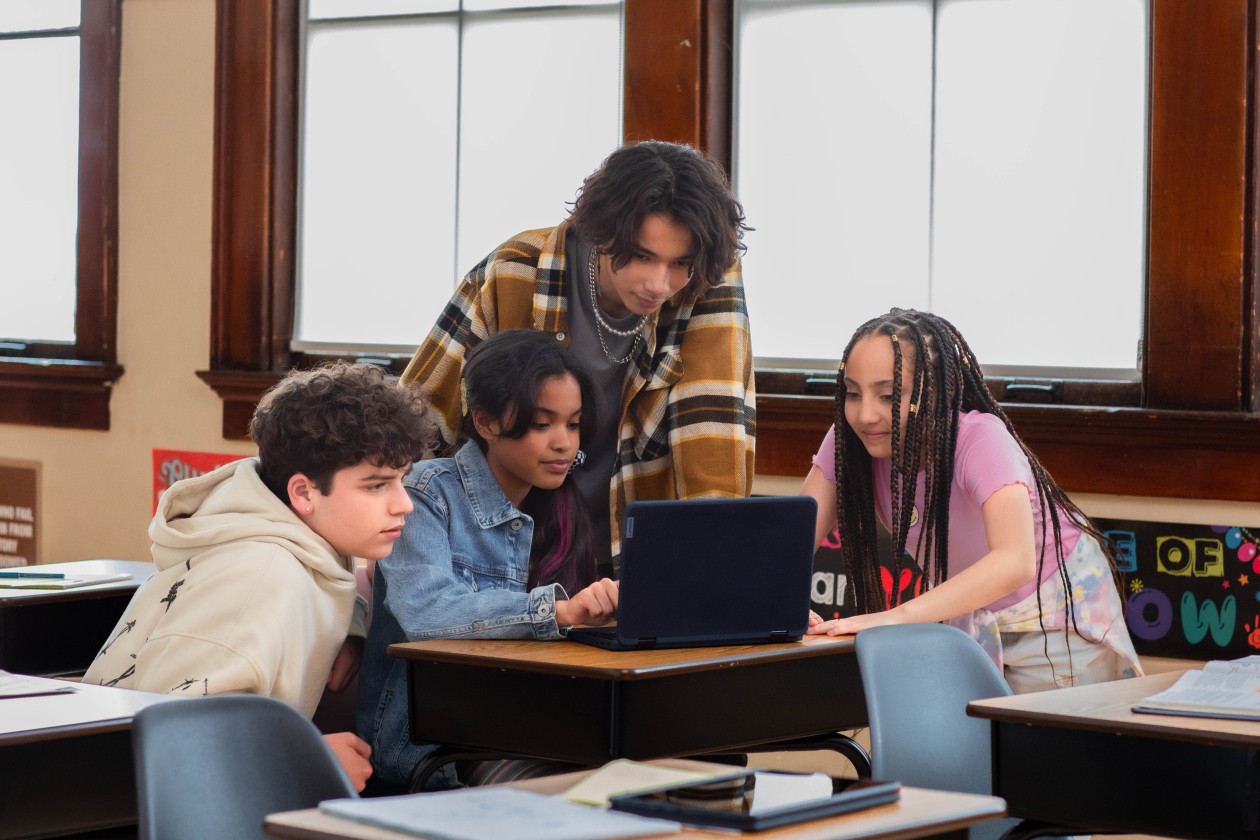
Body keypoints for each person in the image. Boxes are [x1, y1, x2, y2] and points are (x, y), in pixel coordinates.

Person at [402, 140, 755, 575]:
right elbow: (420, 422)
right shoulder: (517, 270)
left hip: (629, 556)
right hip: (494, 552)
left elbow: (713, 439)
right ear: (602, 230)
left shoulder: (706, 282)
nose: (659, 284)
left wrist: (727, 571)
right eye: (642, 256)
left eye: (678, 263)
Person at [83, 362, 436, 790]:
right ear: (303, 493)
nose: (404, 505)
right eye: (376, 486)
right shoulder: (257, 578)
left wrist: (351, 621)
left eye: (402, 480)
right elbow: (173, 740)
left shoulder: (308, 542)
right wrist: (310, 758)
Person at [802, 309, 1142, 694]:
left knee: (1048, 751)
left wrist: (896, 618)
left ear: (935, 394)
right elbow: (792, 543)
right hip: (975, 618)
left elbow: (1015, 561)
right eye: (852, 392)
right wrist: (782, 603)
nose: (865, 414)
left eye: (888, 394)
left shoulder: (981, 439)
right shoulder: (849, 441)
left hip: (1054, 620)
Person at [359, 330, 619, 792]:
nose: (563, 443)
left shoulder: (563, 507)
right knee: (568, 796)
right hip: (430, 747)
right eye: (543, 425)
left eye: (573, 424)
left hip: (525, 729)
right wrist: (557, 611)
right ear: (485, 422)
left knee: (657, 775)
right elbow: (427, 610)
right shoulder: (423, 493)